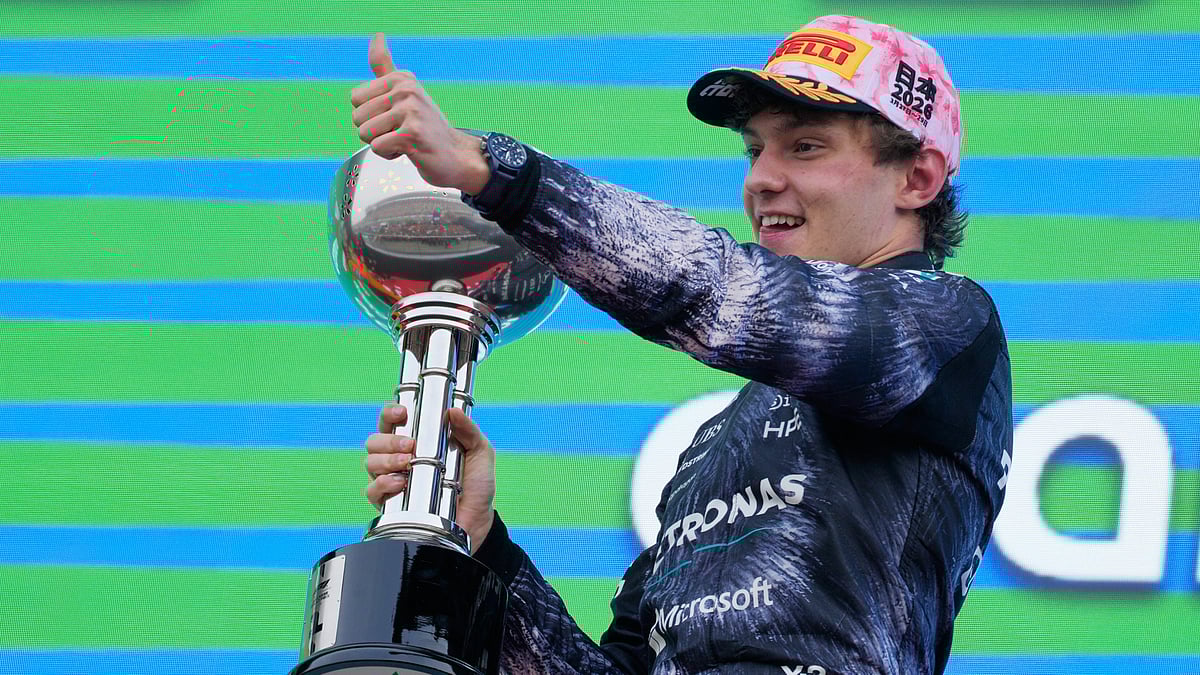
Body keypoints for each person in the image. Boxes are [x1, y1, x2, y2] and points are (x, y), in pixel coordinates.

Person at [355, 14, 1012, 675]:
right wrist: (481, 545)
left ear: (918, 178)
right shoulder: (711, 451)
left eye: (806, 146)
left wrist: (491, 171)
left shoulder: (944, 325)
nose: (762, 179)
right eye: (756, 150)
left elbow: (718, 292)